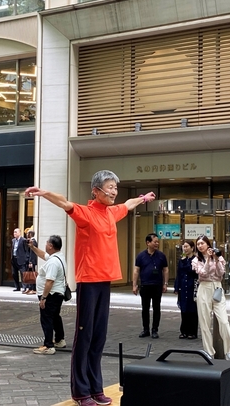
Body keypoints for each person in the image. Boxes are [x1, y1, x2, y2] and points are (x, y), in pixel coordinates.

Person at [25, 170, 155, 406]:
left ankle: (96, 388)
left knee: (99, 336)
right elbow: (64, 203)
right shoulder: (86, 213)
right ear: (96, 190)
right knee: (84, 337)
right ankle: (80, 392)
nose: (114, 191)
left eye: (115, 187)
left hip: (105, 280)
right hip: (88, 281)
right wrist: (43, 193)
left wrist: (143, 199)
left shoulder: (111, 213)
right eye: (110, 187)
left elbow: (127, 204)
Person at [192, 235, 230, 361]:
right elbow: (203, 273)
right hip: (204, 288)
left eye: (202, 243)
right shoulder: (196, 260)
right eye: (198, 244)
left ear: (208, 244)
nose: (200, 246)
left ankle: (229, 351)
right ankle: (208, 351)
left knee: (224, 321)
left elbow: (220, 273)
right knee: (205, 322)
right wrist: (208, 260)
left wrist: (216, 259)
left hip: (217, 288)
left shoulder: (217, 257)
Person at [31, 235, 67, 355]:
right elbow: (43, 255)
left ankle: (48, 346)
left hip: (51, 294)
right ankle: (60, 340)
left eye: (47, 243)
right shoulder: (58, 257)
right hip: (57, 293)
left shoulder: (53, 262)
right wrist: (32, 247)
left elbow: (49, 281)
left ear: (51, 246)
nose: (45, 245)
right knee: (55, 317)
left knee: (46, 319)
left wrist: (43, 298)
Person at [133, 233, 168, 339]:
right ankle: (146, 329)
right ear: (148, 243)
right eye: (155, 242)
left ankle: (155, 330)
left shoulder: (161, 256)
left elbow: (165, 270)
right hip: (145, 285)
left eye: (158, 242)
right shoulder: (141, 256)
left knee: (156, 308)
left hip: (157, 285)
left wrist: (165, 283)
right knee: (145, 308)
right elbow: (136, 270)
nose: (157, 244)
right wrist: (134, 285)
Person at [174, 240, 198, 339]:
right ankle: (184, 331)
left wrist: (184, 261)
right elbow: (179, 274)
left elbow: (191, 270)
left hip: (192, 286)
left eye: (187, 246)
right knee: (183, 308)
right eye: (184, 246)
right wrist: (176, 287)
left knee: (192, 309)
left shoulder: (196, 260)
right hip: (183, 286)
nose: (185, 248)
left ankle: (192, 332)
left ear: (192, 248)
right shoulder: (181, 260)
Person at [11, 228, 31, 293]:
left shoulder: (23, 240)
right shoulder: (13, 240)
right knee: (14, 273)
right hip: (14, 259)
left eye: (16, 232)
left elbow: (27, 250)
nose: (14, 233)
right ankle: (17, 287)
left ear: (19, 233)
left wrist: (27, 259)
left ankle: (24, 287)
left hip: (21, 259)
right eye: (14, 232)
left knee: (23, 274)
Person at [25, 230, 38, 294]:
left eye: (28, 233)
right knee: (30, 275)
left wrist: (30, 261)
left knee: (32, 275)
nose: (27, 234)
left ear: (30, 234)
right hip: (30, 260)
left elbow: (32, 253)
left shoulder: (33, 242)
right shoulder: (31, 241)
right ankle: (30, 288)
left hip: (32, 261)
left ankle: (34, 289)